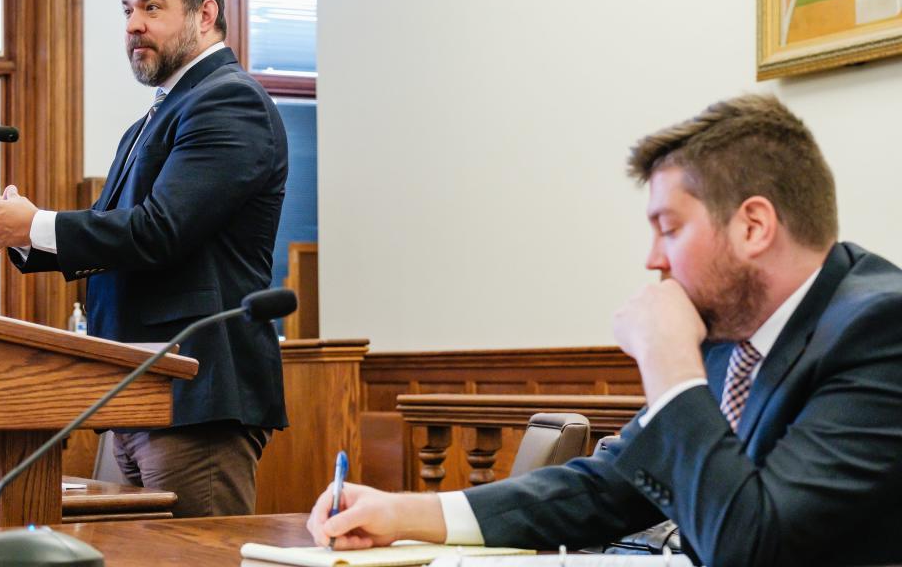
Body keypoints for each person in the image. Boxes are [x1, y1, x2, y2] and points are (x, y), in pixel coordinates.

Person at [306, 94, 902, 566]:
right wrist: (405, 512)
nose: (653, 259)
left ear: (752, 226)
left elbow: (751, 546)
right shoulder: (738, 330)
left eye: (668, 228)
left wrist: (671, 370)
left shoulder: (880, 331)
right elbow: (609, 486)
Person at [0, 0, 288, 518]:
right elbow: (119, 232)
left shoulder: (230, 101)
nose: (133, 25)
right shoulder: (152, 119)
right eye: (127, 10)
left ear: (206, 15)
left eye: (152, 7)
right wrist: (26, 235)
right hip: (131, 389)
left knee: (190, 562)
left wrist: (35, 223)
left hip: (197, 396)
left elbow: (160, 231)